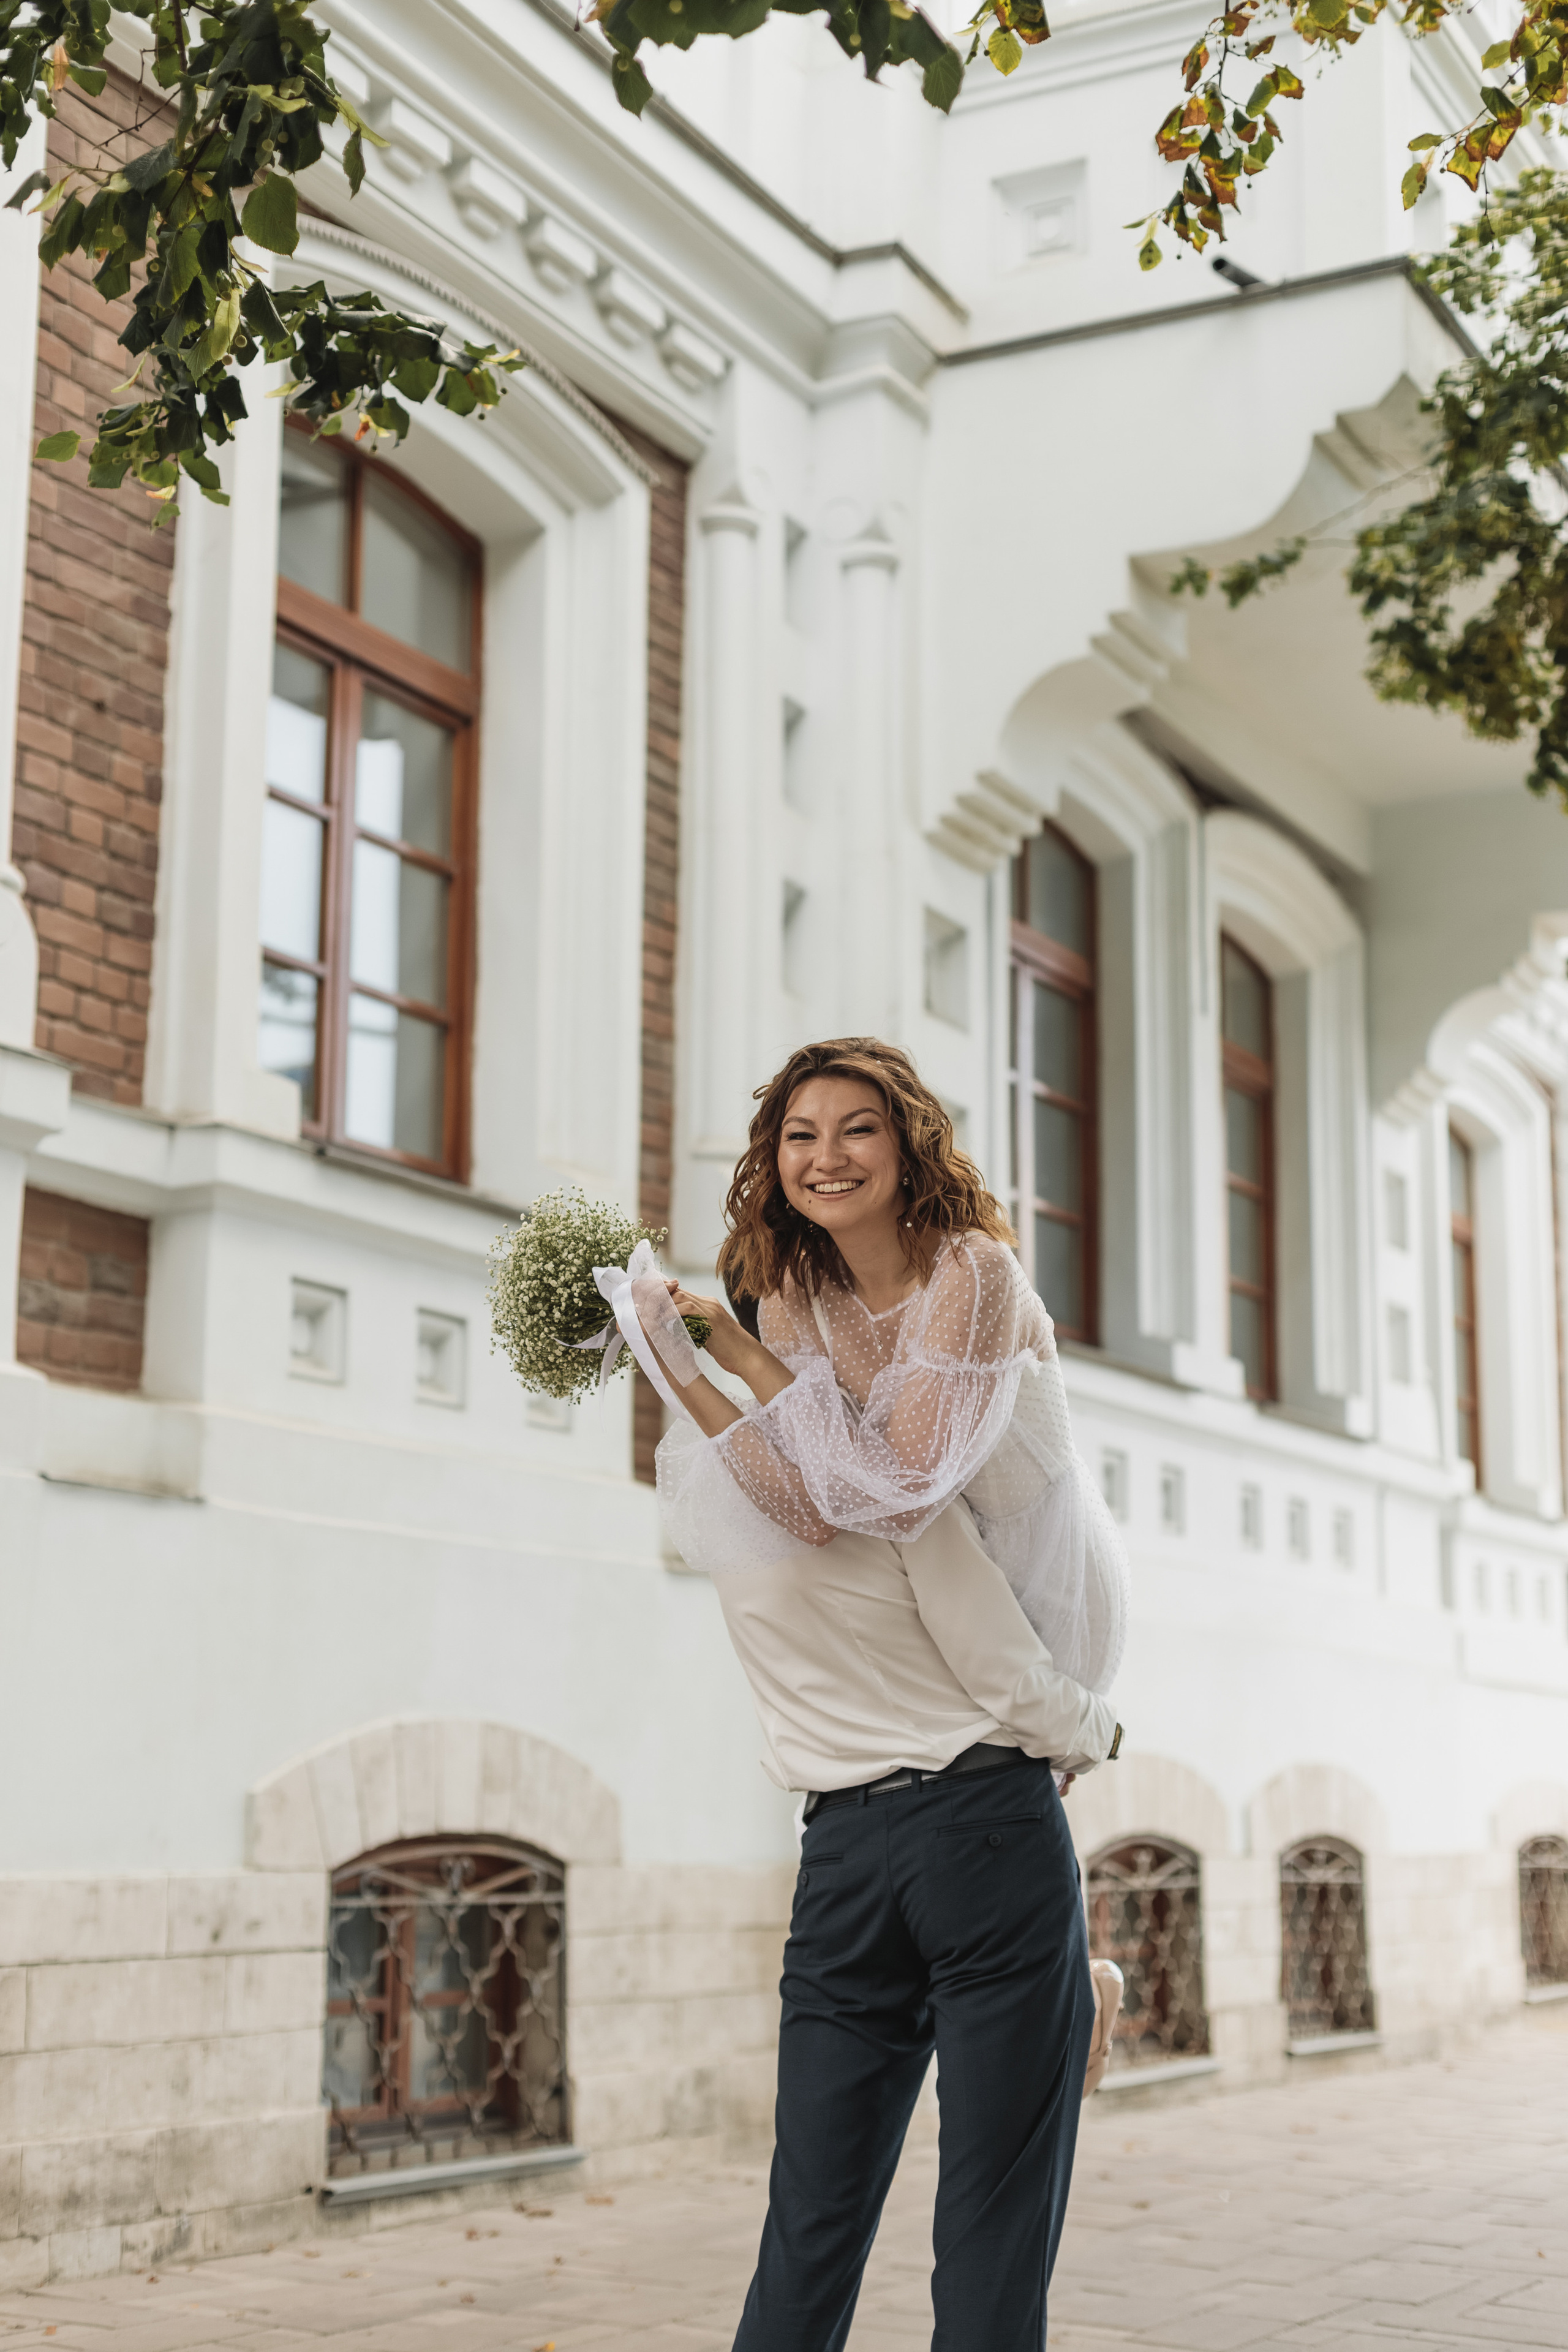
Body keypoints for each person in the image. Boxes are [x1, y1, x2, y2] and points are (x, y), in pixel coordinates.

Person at [633, 1036, 1128, 2352]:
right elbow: (806, 1497)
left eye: (858, 1130)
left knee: (865, 2216)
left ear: (908, 1149)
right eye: (800, 1135)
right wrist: (694, 1361)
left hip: (1030, 1568)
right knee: (957, 2212)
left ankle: (1057, 1978)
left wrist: (734, 1365)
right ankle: (1059, 1981)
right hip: (958, 1760)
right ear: (771, 1161)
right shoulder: (794, 1305)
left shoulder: (971, 1271)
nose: (826, 1156)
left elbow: (897, 1481)